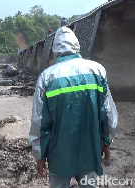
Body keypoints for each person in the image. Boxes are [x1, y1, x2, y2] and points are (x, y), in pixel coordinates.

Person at [29, 27, 118, 187]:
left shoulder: (47, 78)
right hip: (90, 150)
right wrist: (106, 141)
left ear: (55, 49)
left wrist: (40, 155)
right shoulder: (97, 71)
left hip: (59, 154)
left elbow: (40, 122)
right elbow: (107, 112)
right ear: (77, 45)